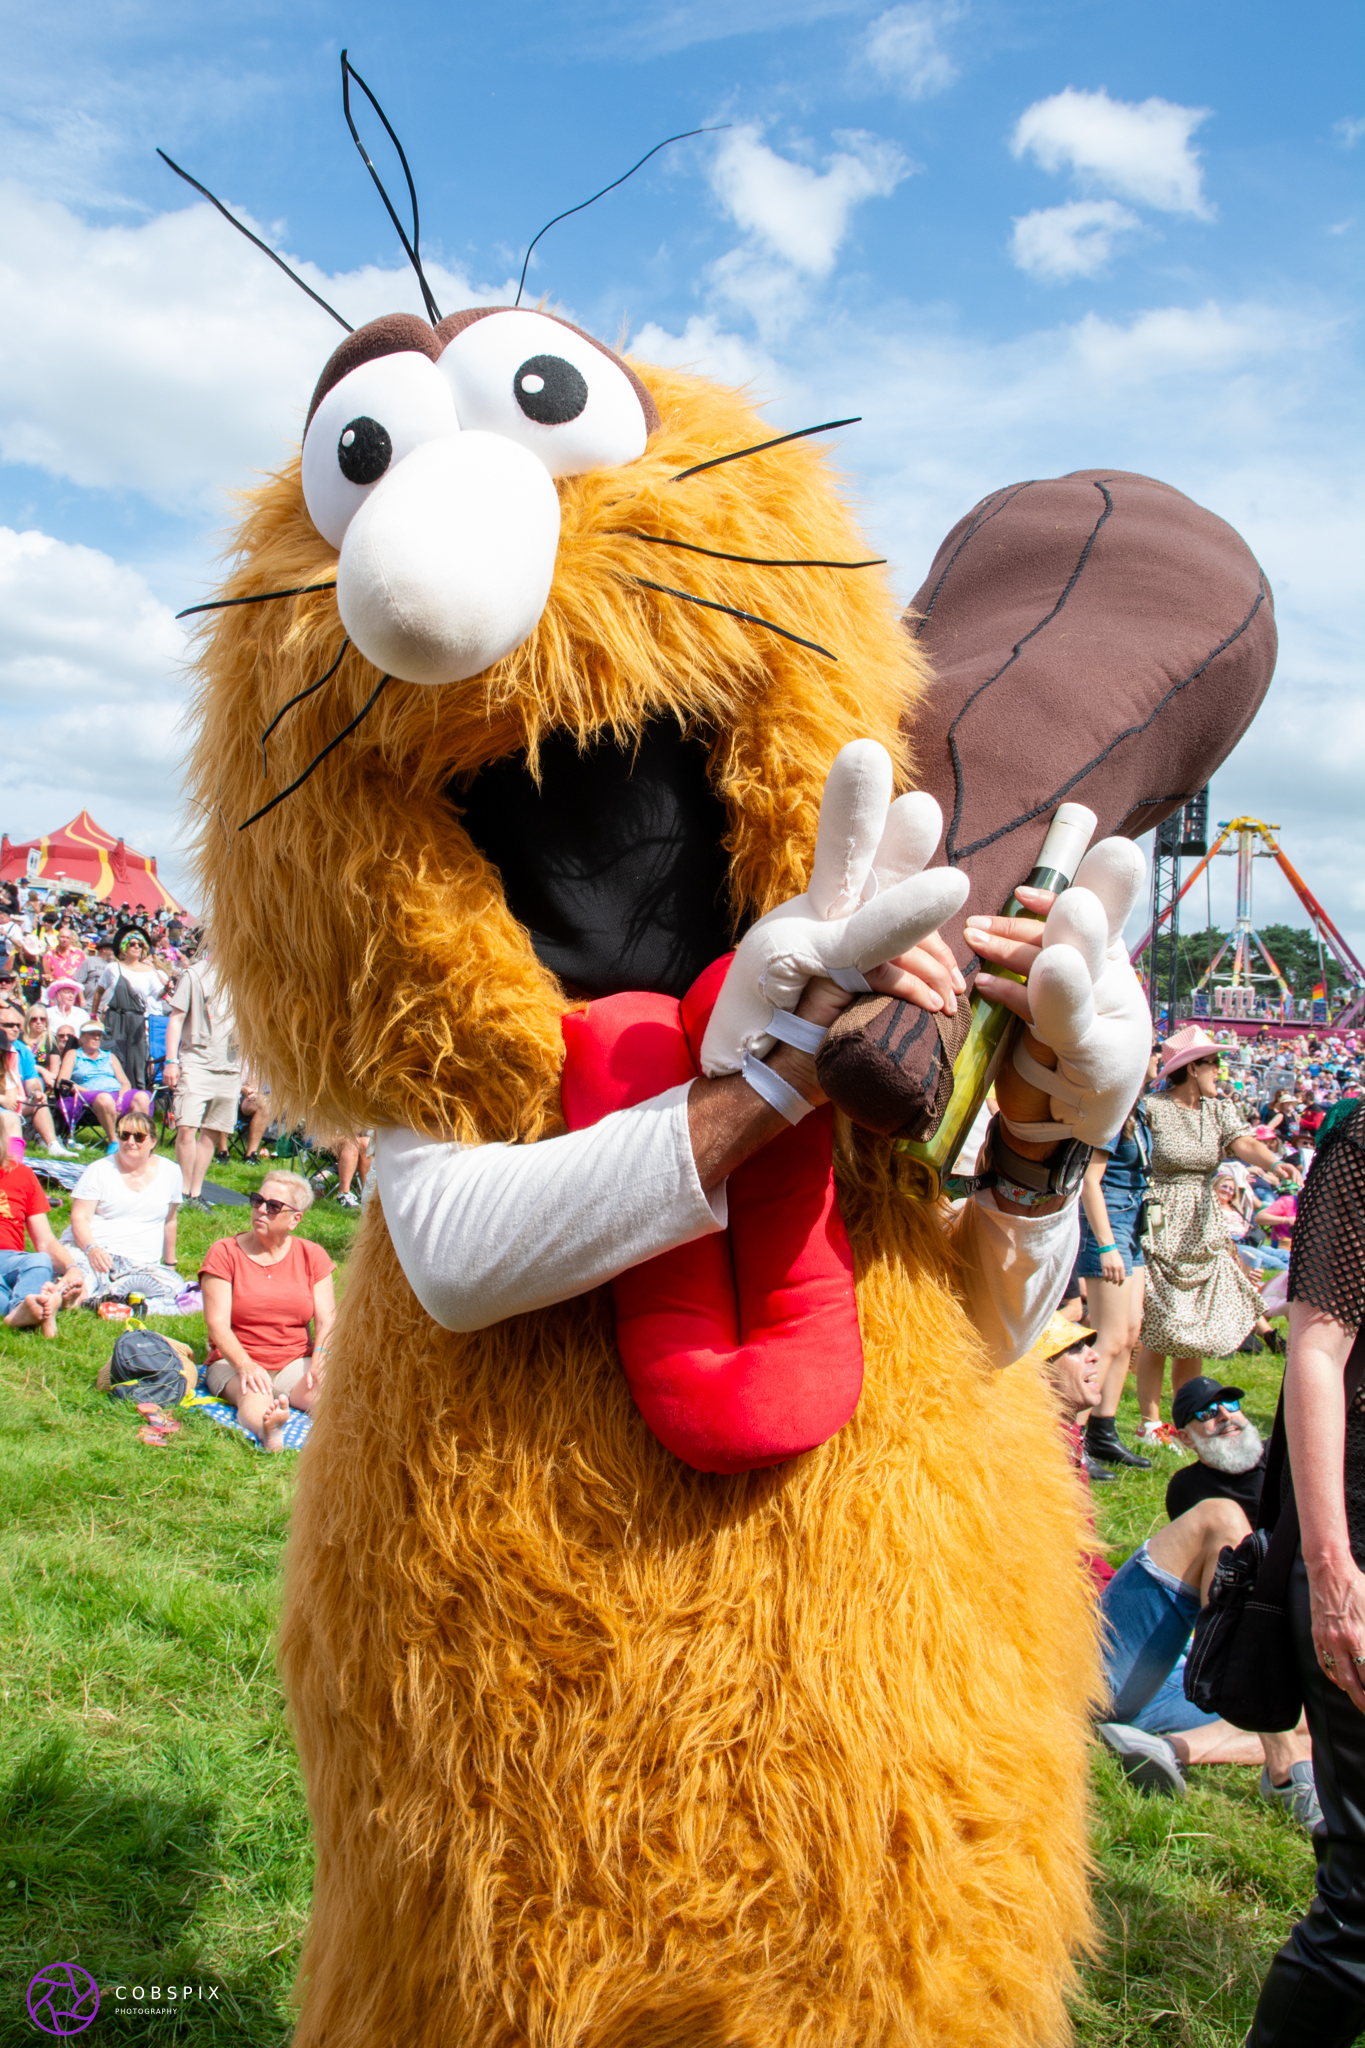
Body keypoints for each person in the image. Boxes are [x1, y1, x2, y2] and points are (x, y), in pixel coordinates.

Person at [1040, 1319, 1319, 1823]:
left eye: (1089, 1343)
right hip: (1080, 1655)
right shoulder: (1024, 1452)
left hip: (1127, 1673)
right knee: (1221, 1518)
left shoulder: (1067, 1443)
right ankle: (1282, 1768)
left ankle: (1168, 1749)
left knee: (1305, 1710)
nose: (1094, 1354)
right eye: (1074, 1349)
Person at [1247, 1098, 1365, 2046]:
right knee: (1361, 1914)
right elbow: (1315, 1352)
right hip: (1357, 1543)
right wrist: (1331, 1570)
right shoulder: (1361, 1141)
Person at [1134, 1025, 1300, 1427]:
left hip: (1204, 1221)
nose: (1220, 1071)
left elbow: (1246, 1144)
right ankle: (1150, 1423)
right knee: (1160, 1323)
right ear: (1193, 1068)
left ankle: (1189, 1420)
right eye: (1214, 1063)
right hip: (1161, 1218)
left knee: (1194, 1330)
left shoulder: (1219, 1109)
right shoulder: (1151, 1108)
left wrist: (1275, 1163)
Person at [200, 1171, 336, 1451]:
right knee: (253, 1395)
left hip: (294, 1360)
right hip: (235, 1360)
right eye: (257, 1200)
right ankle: (268, 1431)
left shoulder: (313, 1255)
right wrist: (245, 1365)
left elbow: (327, 1320)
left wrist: (321, 1358)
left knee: (330, 1398)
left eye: (273, 1206)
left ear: (295, 1219)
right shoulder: (224, 1252)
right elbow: (217, 1324)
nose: (261, 1209)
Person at [1075, 1091, 1154, 1471]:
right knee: (1109, 1336)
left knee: (1130, 1332)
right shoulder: (1114, 1102)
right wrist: (1106, 1245)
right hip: (1108, 1224)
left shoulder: (1139, 1105)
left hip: (1131, 1222)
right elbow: (1090, 1181)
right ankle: (1070, 1440)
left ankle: (1103, 1433)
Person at [61, 1108, 182, 1303]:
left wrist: (170, 1264)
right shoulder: (99, 1170)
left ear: (153, 1141)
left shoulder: (171, 1171)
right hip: (94, 1250)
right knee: (79, 1281)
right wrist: (92, 1249)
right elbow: (79, 1217)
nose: (130, 1142)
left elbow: (170, 1221)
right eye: (124, 1135)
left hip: (141, 1262)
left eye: (139, 1137)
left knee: (173, 1286)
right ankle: (88, 1294)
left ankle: (105, 1295)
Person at [163, 947, 243, 1212]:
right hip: (196, 1061)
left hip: (230, 1066)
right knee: (187, 1126)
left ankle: (196, 1193)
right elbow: (176, 1018)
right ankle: (182, 1191)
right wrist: (171, 1061)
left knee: (212, 1131)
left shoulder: (244, 978)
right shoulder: (194, 974)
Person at [0, 1144, 83, 1334]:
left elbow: (45, 1240)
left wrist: (71, 1268)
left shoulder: (22, 1175)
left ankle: (24, 1307)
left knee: (39, 1260)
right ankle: (42, 1308)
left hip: (10, 1259)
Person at [1164, 1374, 1268, 1520]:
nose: (1226, 1415)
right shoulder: (1186, 1488)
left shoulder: (1282, 1455)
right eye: (1208, 1412)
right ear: (1187, 1438)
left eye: (1230, 1403)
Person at [58, 1021, 153, 1145]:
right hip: (88, 1095)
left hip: (116, 1093)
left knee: (142, 1097)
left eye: (99, 1035)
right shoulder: (73, 1054)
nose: (96, 1038)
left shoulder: (110, 1056)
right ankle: (114, 1141)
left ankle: (138, 1139)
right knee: (105, 1097)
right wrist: (92, 1092)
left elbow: (125, 1083)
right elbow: (64, 1082)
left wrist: (120, 1099)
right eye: (92, 1034)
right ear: (82, 1037)